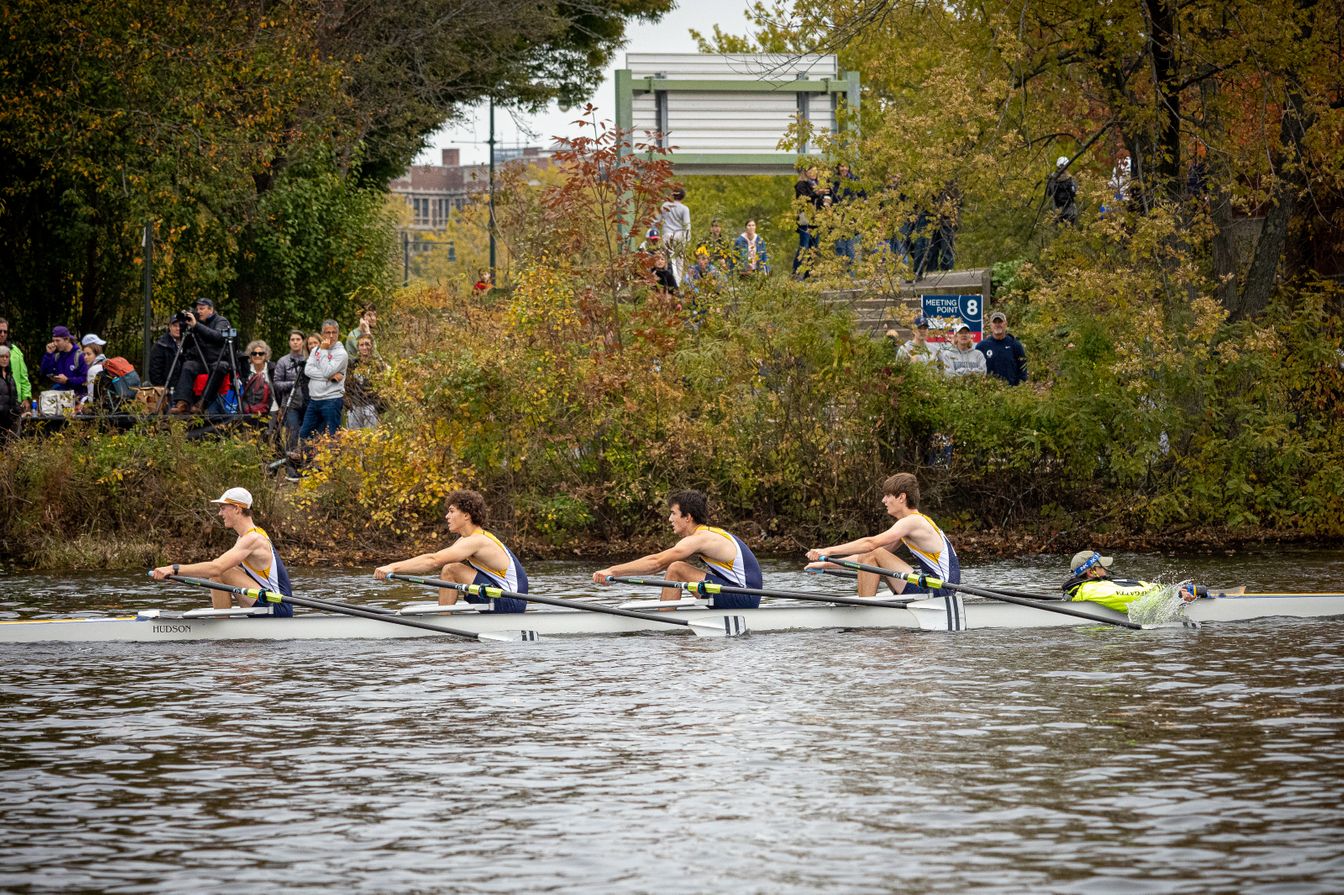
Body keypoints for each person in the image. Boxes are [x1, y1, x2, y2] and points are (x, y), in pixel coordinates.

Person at [592, 489, 763, 609]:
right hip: (740, 593)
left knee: (677, 568)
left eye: (673, 513)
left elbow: (656, 563)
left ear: (688, 517)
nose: (669, 519)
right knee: (678, 569)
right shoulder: (707, 534)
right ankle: (667, 615)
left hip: (744, 597)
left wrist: (612, 571)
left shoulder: (701, 538)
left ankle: (664, 624)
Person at [805, 472, 961, 602]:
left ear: (901, 497)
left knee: (873, 550)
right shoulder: (911, 524)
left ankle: (865, 611)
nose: (883, 500)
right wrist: (826, 565)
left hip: (941, 591)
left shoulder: (913, 522)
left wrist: (828, 551)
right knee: (873, 554)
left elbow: (870, 544)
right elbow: (865, 559)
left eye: (887, 495)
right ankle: (867, 604)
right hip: (935, 587)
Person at [374, 489, 528, 613]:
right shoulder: (465, 540)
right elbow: (433, 559)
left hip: (512, 602)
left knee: (451, 569)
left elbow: (433, 560)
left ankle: (444, 619)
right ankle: (445, 616)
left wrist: (392, 567)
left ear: (466, 515)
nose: (447, 516)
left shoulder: (478, 540)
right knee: (450, 569)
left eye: (452, 511)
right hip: (499, 596)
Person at [149, 487, 294, 616]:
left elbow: (216, 568)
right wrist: (179, 576)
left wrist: (174, 569)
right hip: (267, 601)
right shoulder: (246, 536)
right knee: (220, 574)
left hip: (277, 606)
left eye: (223, 508)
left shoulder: (253, 538)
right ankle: (221, 624)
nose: (219, 513)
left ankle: (221, 627)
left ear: (237, 509)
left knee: (221, 571)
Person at [1063, 551, 1197, 612]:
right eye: (1101, 566)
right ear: (1091, 572)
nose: (1106, 568)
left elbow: (1136, 586)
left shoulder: (1093, 585)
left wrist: (1168, 588)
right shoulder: (1092, 589)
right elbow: (1133, 596)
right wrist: (1172, 594)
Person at [171, 297, 234, 414]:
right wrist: (185, 327)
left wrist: (197, 326)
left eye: (202, 308)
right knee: (188, 365)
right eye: (197, 309)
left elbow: (217, 337)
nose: (198, 311)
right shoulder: (196, 323)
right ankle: (182, 403)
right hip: (201, 361)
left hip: (218, 360)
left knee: (220, 366)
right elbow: (187, 345)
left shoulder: (221, 321)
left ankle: (202, 403)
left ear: (211, 310)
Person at [298, 319, 348, 443]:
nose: (331, 335)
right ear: (322, 334)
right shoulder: (315, 350)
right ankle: (309, 461)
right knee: (305, 434)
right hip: (314, 400)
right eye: (327, 332)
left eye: (334, 332)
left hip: (332, 400)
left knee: (332, 437)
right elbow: (308, 370)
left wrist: (324, 351)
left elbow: (326, 371)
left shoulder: (341, 353)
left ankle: (333, 462)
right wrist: (330, 376)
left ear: (338, 333)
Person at [272, 329, 308, 452]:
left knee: (307, 436)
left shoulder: (309, 359)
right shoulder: (283, 361)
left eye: (298, 339)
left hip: (308, 403)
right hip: (290, 404)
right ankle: (291, 467)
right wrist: (293, 384)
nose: (295, 342)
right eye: (292, 340)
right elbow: (276, 384)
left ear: (303, 342)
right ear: (289, 342)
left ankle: (306, 466)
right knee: (292, 435)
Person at [345, 333, 385, 429]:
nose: (364, 347)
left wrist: (377, 406)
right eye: (361, 345)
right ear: (358, 347)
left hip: (371, 406)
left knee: (371, 439)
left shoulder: (378, 365)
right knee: (353, 439)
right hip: (354, 407)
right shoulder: (352, 365)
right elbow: (346, 386)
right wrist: (348, 404)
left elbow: (383, 388)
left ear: (372, 347)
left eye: (367, 344)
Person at [976, 311, 1028, 385]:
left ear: (1006, 324)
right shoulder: (982, 346)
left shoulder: (1015, 344)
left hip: (1011, 391)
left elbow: (1023, 367)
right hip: (988, 391)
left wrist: (1021, 385)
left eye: (1000, 322)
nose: (997, 325)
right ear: (990, 325)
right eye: (995, 322)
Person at [39, 326, 88, 394]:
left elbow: (85, 379)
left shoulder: (80, 356)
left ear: (67, 339)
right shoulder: (57, 356)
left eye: (58, 340)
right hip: (61, 396)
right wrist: (48, 354)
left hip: (77, 397)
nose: (55, 344)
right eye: (53, 340)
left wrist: (67, 380)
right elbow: (44, 372)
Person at [659, 187, 691, 283]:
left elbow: (658, 219)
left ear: (673, 195)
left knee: (670, 260)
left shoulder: (665, 206)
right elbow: (687, 225)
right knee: (679, 262)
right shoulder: (684, 209)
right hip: (680, 235)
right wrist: (688, 239)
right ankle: (678, 283)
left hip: (667, 235)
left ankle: (671, 281)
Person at [0, 318, 32, 407]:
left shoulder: (15, 350)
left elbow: (23, 377)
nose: (2, 334)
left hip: (14, 401)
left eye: (5, 332)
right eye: (0, 331)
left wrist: (26, 398)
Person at [241, 339, 275, 416]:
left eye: (261, 353)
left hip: (271, 409)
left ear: (266, 355)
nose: (257, 356)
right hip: (248, 410)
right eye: (254, 353)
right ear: (250, 355)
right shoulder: (245, 370)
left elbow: (277, 390)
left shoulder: (272, 368)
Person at [147, 318, 182, 387]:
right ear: (170, 327)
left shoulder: (190, 343)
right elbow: (155, 371)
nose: (178, 328)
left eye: (180, 326)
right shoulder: (160, 345)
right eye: (175, 326)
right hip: (166, 388)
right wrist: (162, 387)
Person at [1046, 156, 1078, 225]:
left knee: (1056, 232)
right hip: (1070, 211)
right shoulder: (1070, 179)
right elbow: (1074, 193)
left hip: (1056, 211)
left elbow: (1048, 193)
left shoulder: (1052, 178)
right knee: (1069, 232)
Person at [0, 345, 23, 436]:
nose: (5, 359)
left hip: (9, 420)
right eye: (2, 356)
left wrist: (19, 412)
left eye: (7, 357)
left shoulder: (10, 376)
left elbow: (14, 397)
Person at [79, 335, 107, 404]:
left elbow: (91, 399)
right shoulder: (106, 363)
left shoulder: (93, 370)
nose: (85, 357)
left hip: (101, 408)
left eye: (89, 354)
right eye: (84, 354)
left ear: (96, 354)